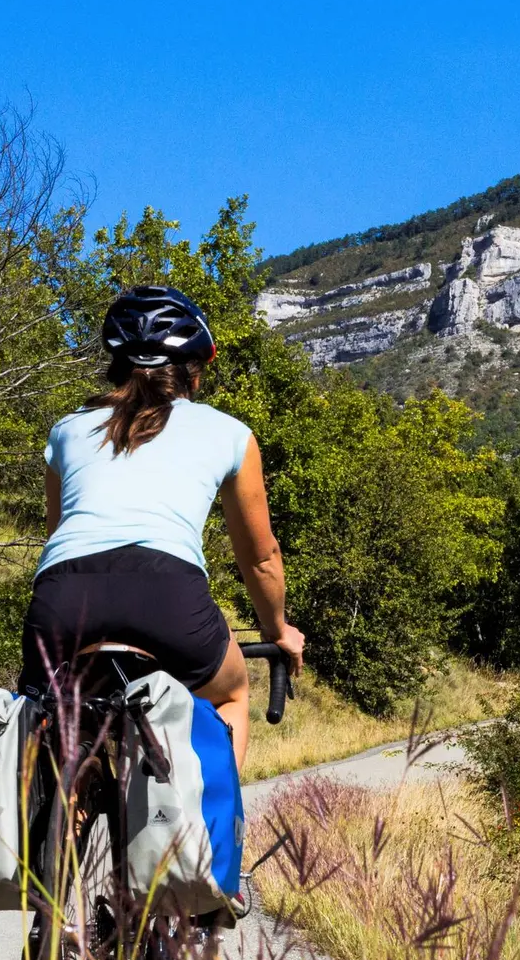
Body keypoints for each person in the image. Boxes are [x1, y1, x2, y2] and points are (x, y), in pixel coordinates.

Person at [19, 285, 305, 769]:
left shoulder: (66, 430)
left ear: (115, 365)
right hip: (168, 598)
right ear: (194, 371)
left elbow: (58, 538)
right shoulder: (229, 433)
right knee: (232, 694)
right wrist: (277, 630)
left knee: (51, 718)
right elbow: (260, 558)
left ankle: (59, 822)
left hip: (62, 601)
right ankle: (209, 841)